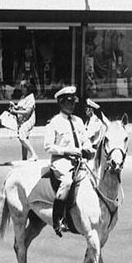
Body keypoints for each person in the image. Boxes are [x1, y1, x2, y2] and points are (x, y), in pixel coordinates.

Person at [45, 86, 95, 237]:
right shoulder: (54, 122)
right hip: (62, 161)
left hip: (79, 160)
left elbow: (85, 140)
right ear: (61, 103)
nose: (72, 104)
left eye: (73, 101)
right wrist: (67, 151)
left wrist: (89, 149)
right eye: (69, 102)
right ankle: (58, 220)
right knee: (67, 182)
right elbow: (47, 146)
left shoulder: (78, 121)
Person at [10, 80, 38, 160]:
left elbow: (27, 112)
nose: (21, 89)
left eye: (22, 87)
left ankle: (34, 154)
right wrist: (14, 106)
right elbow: (21, 106)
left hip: (28, 120)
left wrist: (15, 111)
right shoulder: (23, 97)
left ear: (27, 88)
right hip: (22, 120)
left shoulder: (31, 98)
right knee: (24, 138)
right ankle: (24, 158)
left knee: (22, 136)